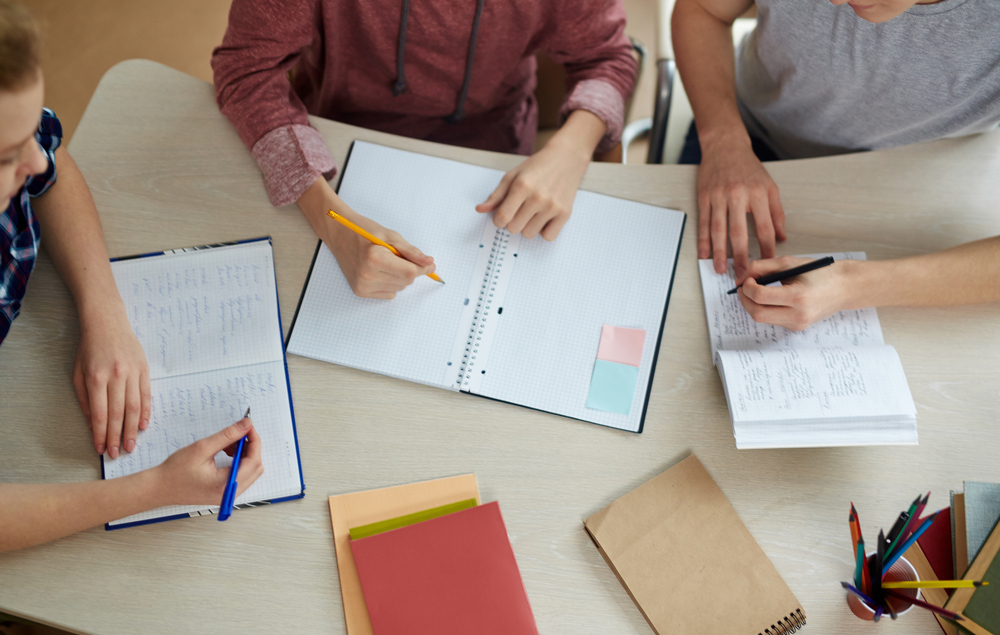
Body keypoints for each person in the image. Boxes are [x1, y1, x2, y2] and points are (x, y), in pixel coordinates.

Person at [0, 1, 263, 551]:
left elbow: (54, 167)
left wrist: (104, 313)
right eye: (5, 156)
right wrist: (154, 488)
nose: (35, 161)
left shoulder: (23, 148)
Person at [212, 0, 638, 299]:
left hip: (496, 149)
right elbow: (245, 71)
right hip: (337, 146)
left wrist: (572, 149)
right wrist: (331, 221)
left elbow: (610, 58)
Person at [673, 0, 1000, 330]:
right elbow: (702, 10)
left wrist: (852, 284)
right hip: (742, 134)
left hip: (921, 186)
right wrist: (723, 140)